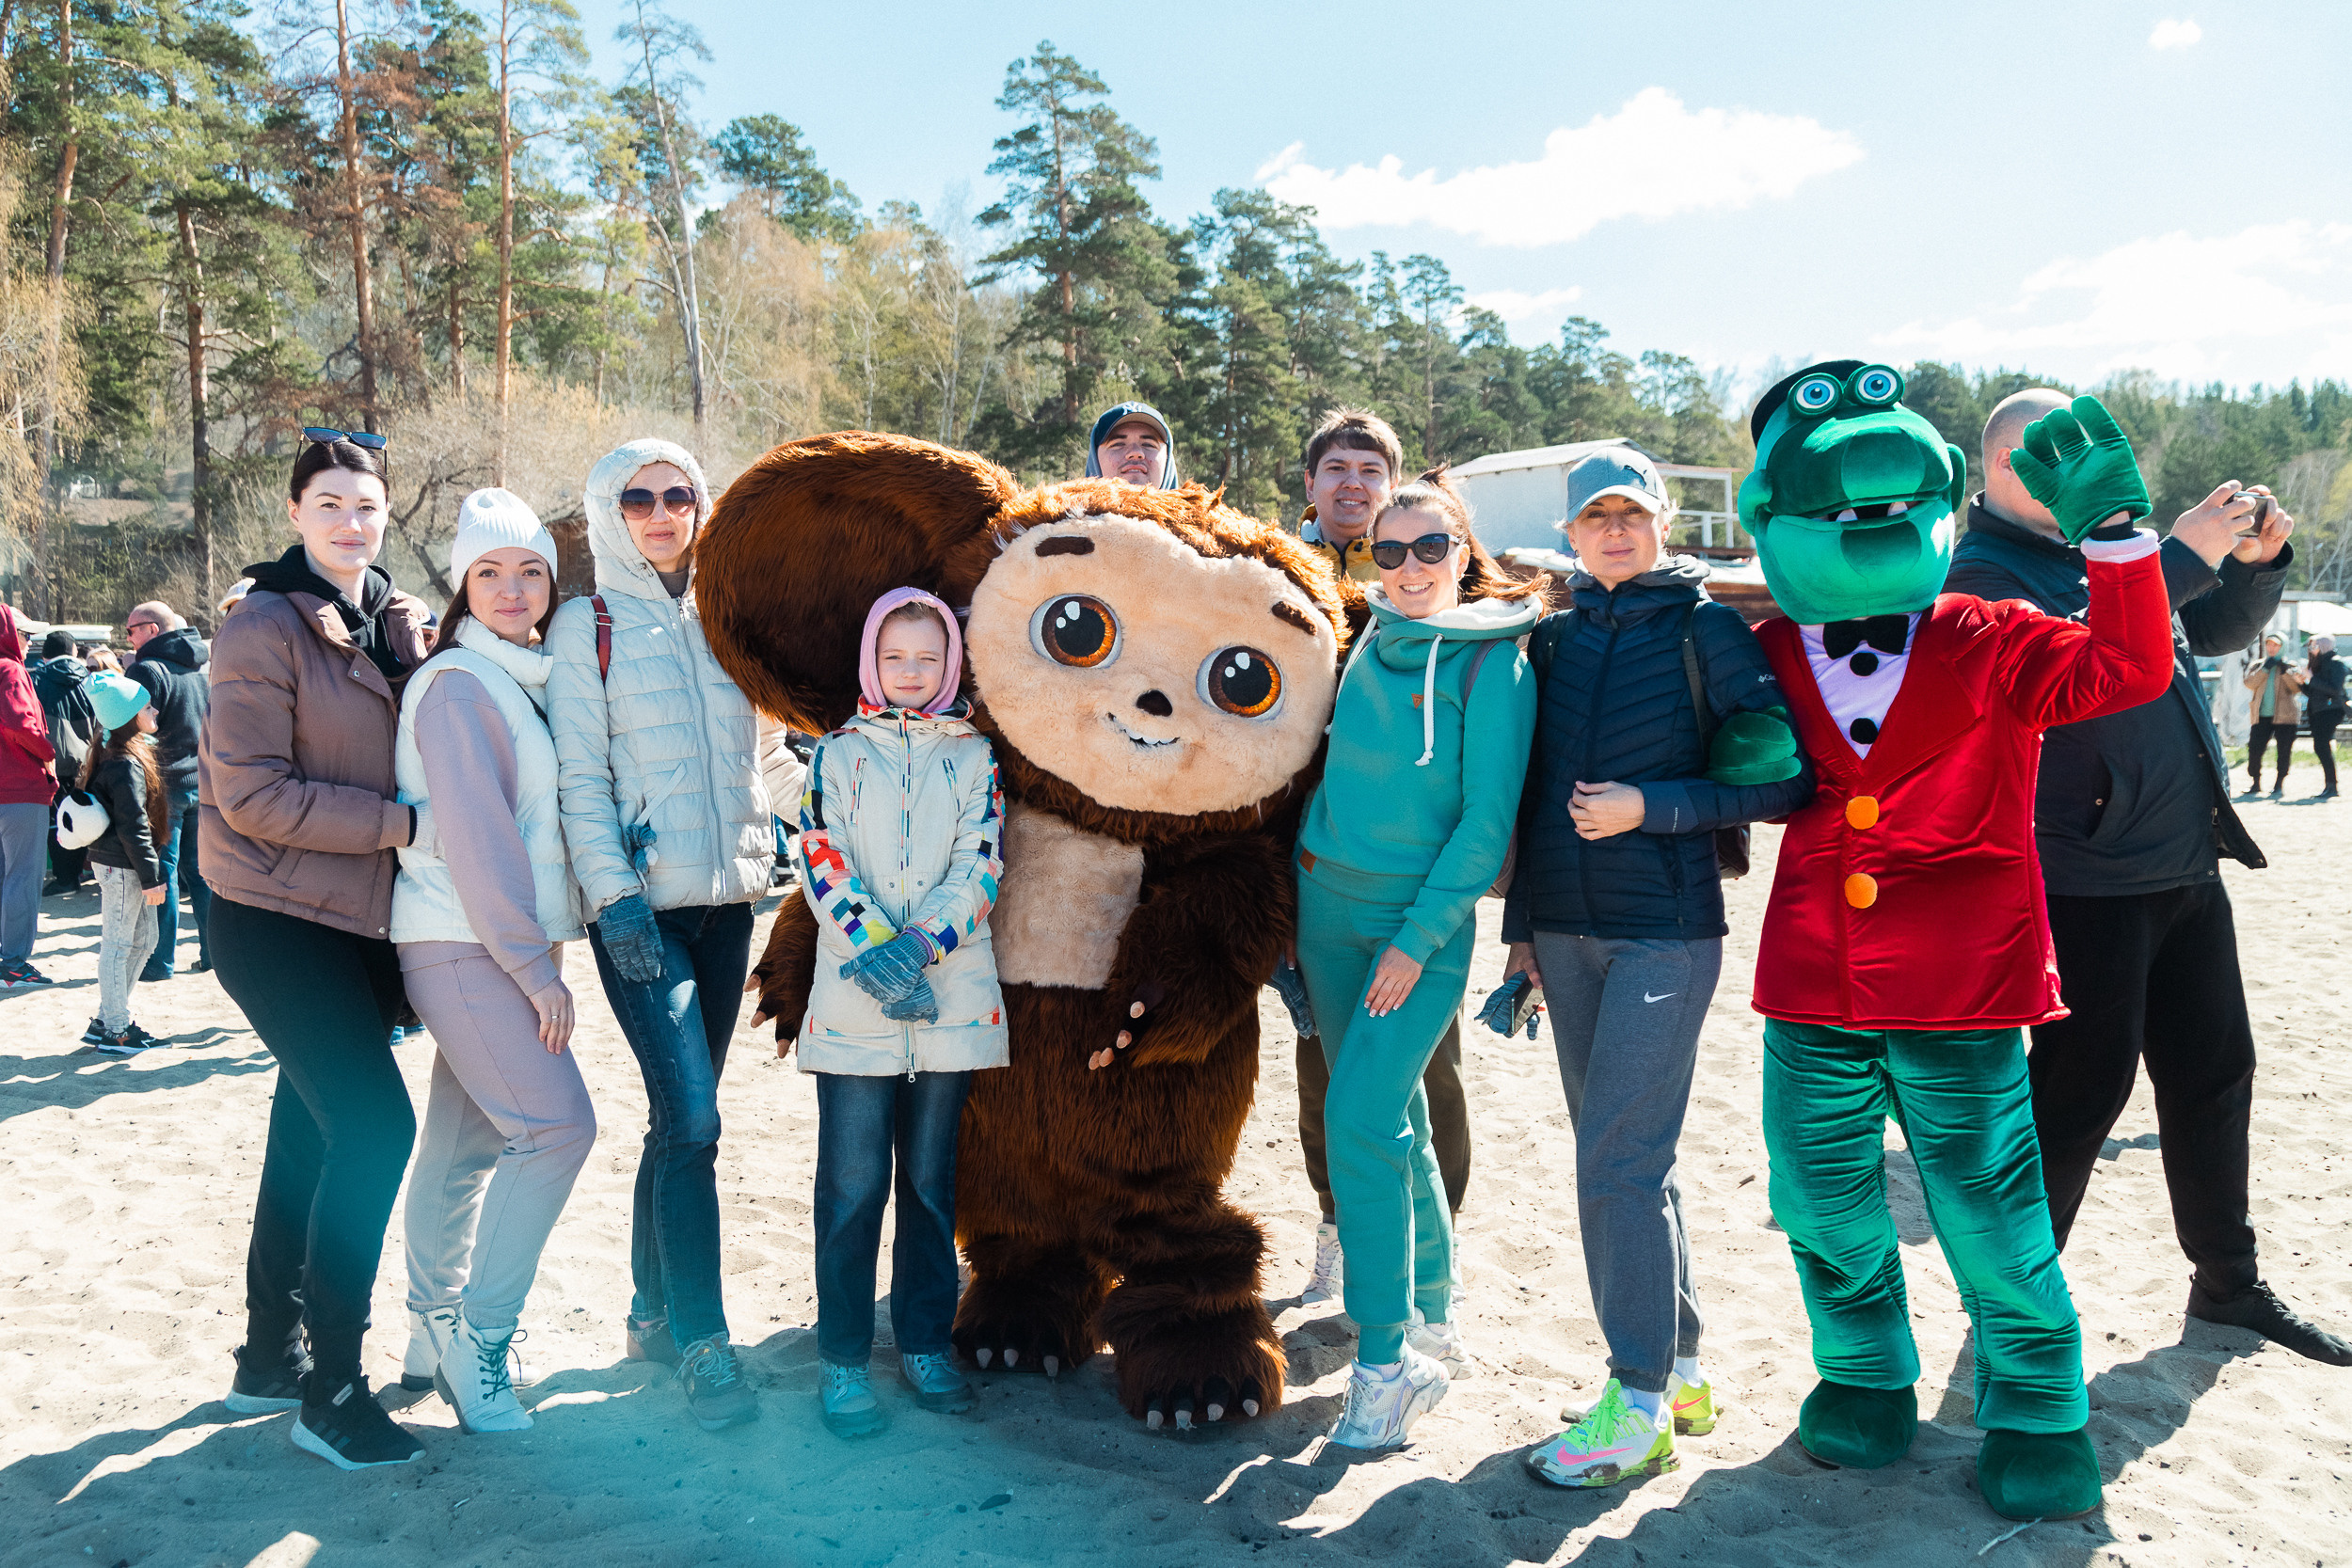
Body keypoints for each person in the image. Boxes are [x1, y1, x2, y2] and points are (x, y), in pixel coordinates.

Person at [1947, 390, 2350, 1366]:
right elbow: (2077, 640)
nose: (2087, 468)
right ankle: (2011, 1310)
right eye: (2060, 455)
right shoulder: (1979, 572)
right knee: (2078, 1093)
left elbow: (2199, 633)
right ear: (2005, 470)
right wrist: (2171, 550)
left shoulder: (2108, 551)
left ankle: (2226, 1283)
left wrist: (2253, 569)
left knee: (2215, 1073)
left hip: (2181, 859)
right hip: (2080, 874)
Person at [1507, 449, 1813, 1488]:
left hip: (1665, 930)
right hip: (1566, 935)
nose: (1612, 530)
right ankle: (1679, 1369)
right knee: (1633, 1158)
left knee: (1614, 1163)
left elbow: (1782, 782)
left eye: (1629, 513)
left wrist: (1655, 807)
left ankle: (1632, 1402)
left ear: (1662, 520)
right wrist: (1524, 935)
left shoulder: (1706, 628)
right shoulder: (1549, 637)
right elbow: (1533, 792)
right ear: (1569, 532)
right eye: (1593, 515)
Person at [1292, 468, 1541, 1450]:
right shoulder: (1362, 638)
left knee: (1356, 1117)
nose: (1406, 567)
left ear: (1460, 551)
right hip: (1324, 908)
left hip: (1413, 929)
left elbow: (1485, 826)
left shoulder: (1495, 663)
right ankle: (1433, 1308)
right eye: (1387, 551)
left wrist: (1414, 940)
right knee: (1389, 1121)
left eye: (1428, 547)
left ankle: (1387, 1359)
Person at [202, 431, 434, 1469]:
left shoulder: (392, 620)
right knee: (377, 1126)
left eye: (367, 504)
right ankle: (332, 1387)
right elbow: (250, 795)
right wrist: (401, 823)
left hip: (358, 922)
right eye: (330, 502)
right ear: (296, 512)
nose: (350, 520)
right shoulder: (262, 624)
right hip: (270, 913)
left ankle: (266, 1351)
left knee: (308, 1127)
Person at [548, 437, 788, 1434]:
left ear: (702, 506)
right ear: (610, 511)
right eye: (637, 497)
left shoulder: (730, 617)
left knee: (678, 1115)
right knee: (693, 1122)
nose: (659, 511)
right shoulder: (585, 623)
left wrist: (825, 825)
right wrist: (615, 900)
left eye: (677, 494)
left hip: (728, 903)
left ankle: (650, 1309)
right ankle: (702, 1337)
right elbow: (579, 780)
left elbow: (770, 754)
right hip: (638, 912)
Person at [393, 489, 595, 1435]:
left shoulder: (512, 676)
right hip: (466, 940)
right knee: (557, 1128)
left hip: (486, 942)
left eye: (529, 572)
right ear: (462, 586)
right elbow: (476, 840)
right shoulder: (461, 683)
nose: (513, 590)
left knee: (468, 1140)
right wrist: (534, 968)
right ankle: (480, 1338)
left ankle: (430, 1327)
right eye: (490, 572)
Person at [793, 588, 1005, 1437]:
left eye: (926, 658)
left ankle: (923, 1342)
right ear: (870, 663)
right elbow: (819, 853)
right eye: (895, 658)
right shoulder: (838, 753)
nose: (911, 674)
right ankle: (844, 1358)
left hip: (949, 1002)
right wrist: (878, 953)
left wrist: (921, 948)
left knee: (928, 1184)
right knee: (850, 1188)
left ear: (949, 662)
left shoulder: (975, 755)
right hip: (854, 1008)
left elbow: (981, 864)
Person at [1288, 406, 1475, 1307]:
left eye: (1371, 469)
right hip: (1314, 869)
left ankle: (1433, 1245)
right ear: (1312, 483)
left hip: (1412, 881)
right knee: (1323, 1062)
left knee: (1426, 1070)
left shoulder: (1440, 583)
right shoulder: (1282, 576)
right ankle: (1340, 1223)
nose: (1353, 483)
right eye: (1338, 469)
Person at [78, 671, 168, 1053]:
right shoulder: (124, 762)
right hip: (122, 866)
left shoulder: (122, 753)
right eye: (147, 705)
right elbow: (133, 826)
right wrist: (151, 878)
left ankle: (107, 1017)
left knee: (146, 938)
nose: (155, 709)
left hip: (126, 864)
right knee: (117, 944)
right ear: (130, 716)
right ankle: (116, 1029)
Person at [125, 600, 213, 978]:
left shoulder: (148, 668)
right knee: (200, 874)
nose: (128, 637)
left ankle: (160, 960)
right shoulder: (195, 667)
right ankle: (214, 953)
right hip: (199, 781)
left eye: (132, 630)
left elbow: (134, 728)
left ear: (152, 630)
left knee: (164, 873)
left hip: (165, 785)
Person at [0, 605, 58, 990]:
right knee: (22, 877)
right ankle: (14, 963)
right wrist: (48, 753)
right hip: (19, 788)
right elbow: (23, 724)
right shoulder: (9, 668)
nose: (29, 641)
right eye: (25, 633)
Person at [30, 627, 95, 895]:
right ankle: (77, 873)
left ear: (45, 654)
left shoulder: (37, 680)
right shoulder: (89, 679)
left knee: (57, 822)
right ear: (73, 652)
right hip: (87, 761)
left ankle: (65, 878)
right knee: (82, 817)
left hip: (51, 761)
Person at [2242, 634, 2302, 800]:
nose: (2271, 648)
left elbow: (2297, 688)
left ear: (2282, 647)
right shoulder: (2258, 665)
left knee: (2283, 751)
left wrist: (2285, 671)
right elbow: (2249, 683)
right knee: (2254, 749)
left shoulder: (2291, 666)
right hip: (2261, 716)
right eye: (2268, 645)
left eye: (2275, 645)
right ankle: (2255, 782)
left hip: (2285, 717)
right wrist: (2265, 668)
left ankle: (2279, 784)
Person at [1082, 401, 1180, 489]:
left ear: (1167, 457)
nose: (1135, 452)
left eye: (1148, 445)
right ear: (1095, 459)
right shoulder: (1068, 508)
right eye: (1118, 444)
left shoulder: (1193, 508)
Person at [2306, 634, 2344, 800]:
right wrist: (2302, 682)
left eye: (2314, 646)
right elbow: (2313, 691)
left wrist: (2312, 679)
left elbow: (2336, 690)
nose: (2311, 650)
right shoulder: (2318, 663)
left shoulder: (2336, 662)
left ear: (2323, 646)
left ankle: (2332, 786)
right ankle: (2330, 785)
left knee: (2322, 746)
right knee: (2320, 747)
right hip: (2318, 710)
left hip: (2331, 710)